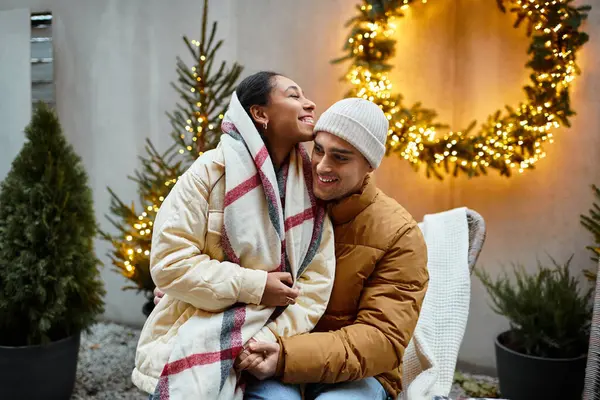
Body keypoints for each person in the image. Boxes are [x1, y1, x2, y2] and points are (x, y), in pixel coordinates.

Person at [132, 71, 336, 400]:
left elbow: (315, 283)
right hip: (199, 328)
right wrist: (254, 286)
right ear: (260, 113)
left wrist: (263, 341)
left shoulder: (311, 187)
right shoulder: (210, 173)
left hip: (275, 343)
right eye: (294, 95)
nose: (309, 102)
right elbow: (170, 264)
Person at [234, 98, 429, 400]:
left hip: (357, 374)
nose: (322, 166)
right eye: (319, 150)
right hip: (273, 351)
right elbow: (232, 255)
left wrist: (287, 357)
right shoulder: (283, 201)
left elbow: (382, 338)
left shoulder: (400, 235)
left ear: (369, 165)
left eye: (340, 157)